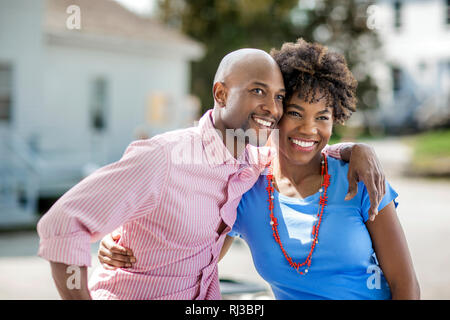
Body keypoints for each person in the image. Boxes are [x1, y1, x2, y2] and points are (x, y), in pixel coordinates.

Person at [38, 47, 386, 300]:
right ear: (221, 93)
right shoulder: (164, 157)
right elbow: (64, 224)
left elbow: (300, 148)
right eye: (257, 91)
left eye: (279, 97)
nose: (272, 107)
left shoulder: (251, 162)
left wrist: (356, 150)